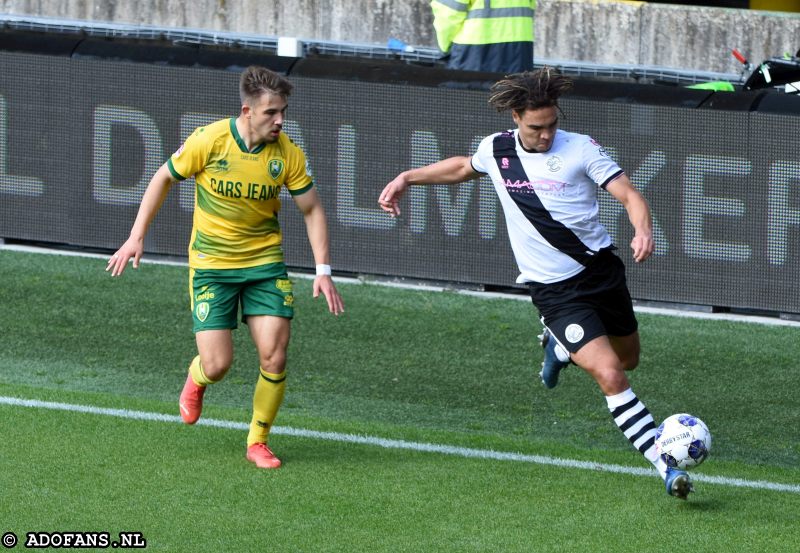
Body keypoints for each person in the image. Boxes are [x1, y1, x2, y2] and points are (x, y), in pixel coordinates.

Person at [378, 67, 693, 499]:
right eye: (536, 127)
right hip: (555, 292)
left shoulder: (581, 149)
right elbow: (461, 168)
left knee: (629, 358)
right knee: (611, 374)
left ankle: (559, 346)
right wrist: (407, 177)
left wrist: (643, 229)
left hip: (601, 273)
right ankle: (665, 465)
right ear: (515, 117)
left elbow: (630, 195)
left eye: (552, 125)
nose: (546, 135)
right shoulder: (498, 151)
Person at [106, 65, 344, 469]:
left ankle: (258, 440)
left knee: (275, 355)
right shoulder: (210, 140)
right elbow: (163, 178)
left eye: (283, 111)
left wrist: (323, 269)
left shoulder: (287, 153)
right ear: (247, 111)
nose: (280, 120)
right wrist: (136, 235)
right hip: (212, 267)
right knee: (218, 365)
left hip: (264, 266)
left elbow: (312, 207)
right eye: (271, 112)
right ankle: (197, 377)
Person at [430, 0, 536, 74]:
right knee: (514, 100)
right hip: (520, 53)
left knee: (468, 102)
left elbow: (448, 13)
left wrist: (445, 49)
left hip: (473, 54)